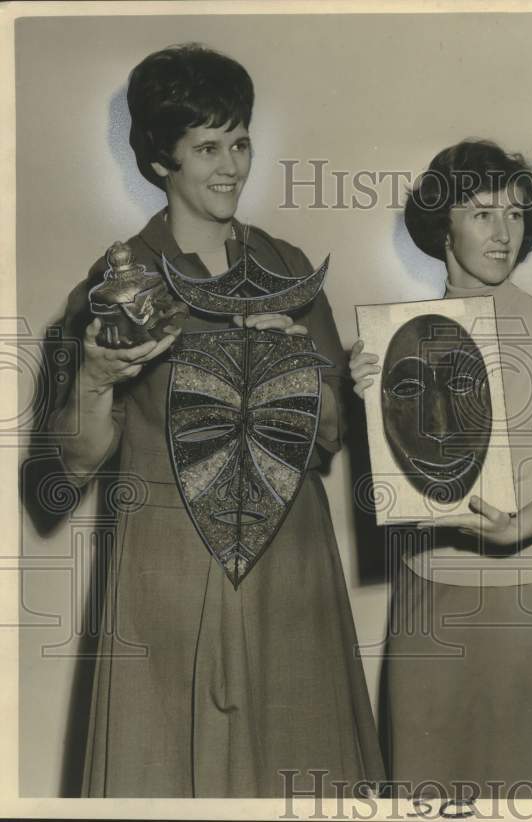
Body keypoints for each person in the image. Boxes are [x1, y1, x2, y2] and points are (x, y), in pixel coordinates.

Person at [44, 43, 384, 797]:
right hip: (167, 573)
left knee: (302, 778)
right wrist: (97, 377)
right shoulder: (112, 285)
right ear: (162, 159)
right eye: (207, 147)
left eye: (240, 142)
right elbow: (69, 466)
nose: (231, 165)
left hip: (290, 569)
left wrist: (300, 375)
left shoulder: (288, 266)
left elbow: (329, 435)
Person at [349, 140, 532, 798]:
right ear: (442, 224)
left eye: (514, 215)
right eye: (481, 213)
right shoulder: (399, 337)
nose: (502, 232)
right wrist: (366, 396)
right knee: (431, 783)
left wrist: (519, 529)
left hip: (530, 595)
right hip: (432, 589)